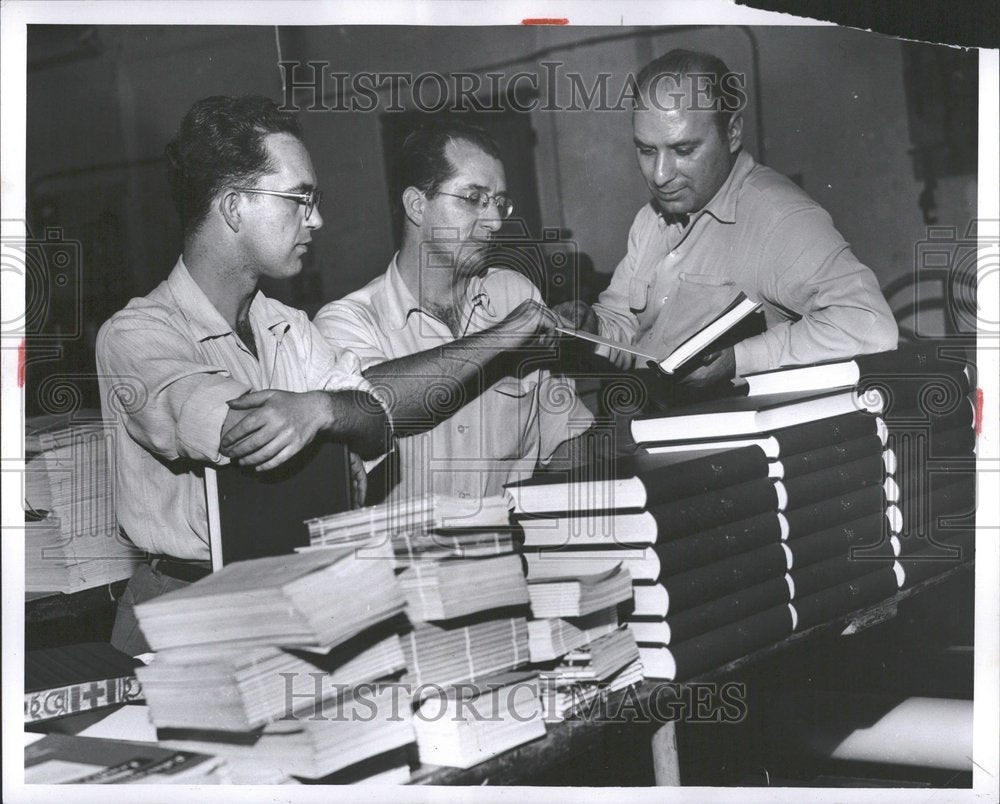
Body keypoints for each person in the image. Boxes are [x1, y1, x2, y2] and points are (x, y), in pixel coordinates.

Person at [97, 95, 389, 654]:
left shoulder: (289, 327)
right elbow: (237, 427)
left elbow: (376, 422)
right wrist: (320, 411)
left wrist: (322, 410)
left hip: (294, 595)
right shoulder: (135, 335)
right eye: (299, 199)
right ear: (233, 207)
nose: (317, 219)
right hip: (183, 613)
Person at [556, 49, 898, 388]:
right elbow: (627, 330)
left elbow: (869, 324)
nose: (660, 175)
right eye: (647, 151)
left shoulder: (779, 218)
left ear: (732, 133)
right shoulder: (650, 220)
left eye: (684, 150)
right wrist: (591, 327)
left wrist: (741, 359)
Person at [314, 121, 594, 501]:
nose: (495, 221)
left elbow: (564, 434)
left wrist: (569, 523)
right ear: (417, 205)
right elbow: (368, 405)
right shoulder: (346, 322)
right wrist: (502, 337)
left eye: (499, 202)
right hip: (407, 557)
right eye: (473, 197)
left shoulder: (514, 295)